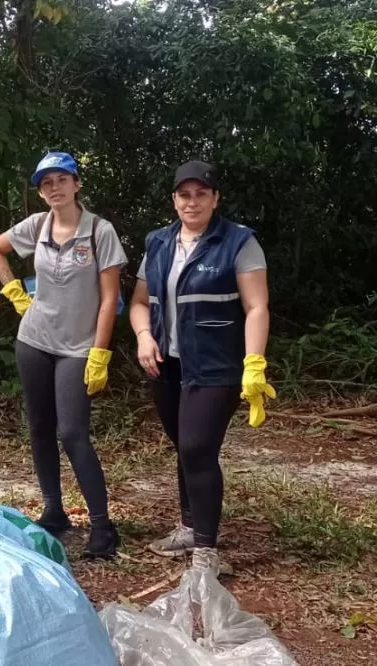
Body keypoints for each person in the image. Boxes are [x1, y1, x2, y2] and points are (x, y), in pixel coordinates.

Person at [129, 160, 274, 576]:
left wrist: (254, 364)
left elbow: (257, 306)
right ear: (174, 200)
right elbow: (140, 302)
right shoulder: (158, 242)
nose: (192, 202)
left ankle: (207, 552)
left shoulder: (238, 242)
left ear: (215, 199)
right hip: (166, 363)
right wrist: (143, 336)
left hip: (216, 365)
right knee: (185, 445)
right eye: (184, 194)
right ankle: (190, 527)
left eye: (201, 194)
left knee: (197, 447)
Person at [0, 151, 127, 559]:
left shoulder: (99, 231)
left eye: (61, 179)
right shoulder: (37, 226)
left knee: (72, 432)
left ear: (76, 183)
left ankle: (102, 526)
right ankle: (54, 510)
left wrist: (100, 352)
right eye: (45, 183)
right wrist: (15, 292)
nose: (54, 187)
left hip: (79, 347)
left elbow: (109, 298)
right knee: (39, 426)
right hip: (34, 339)